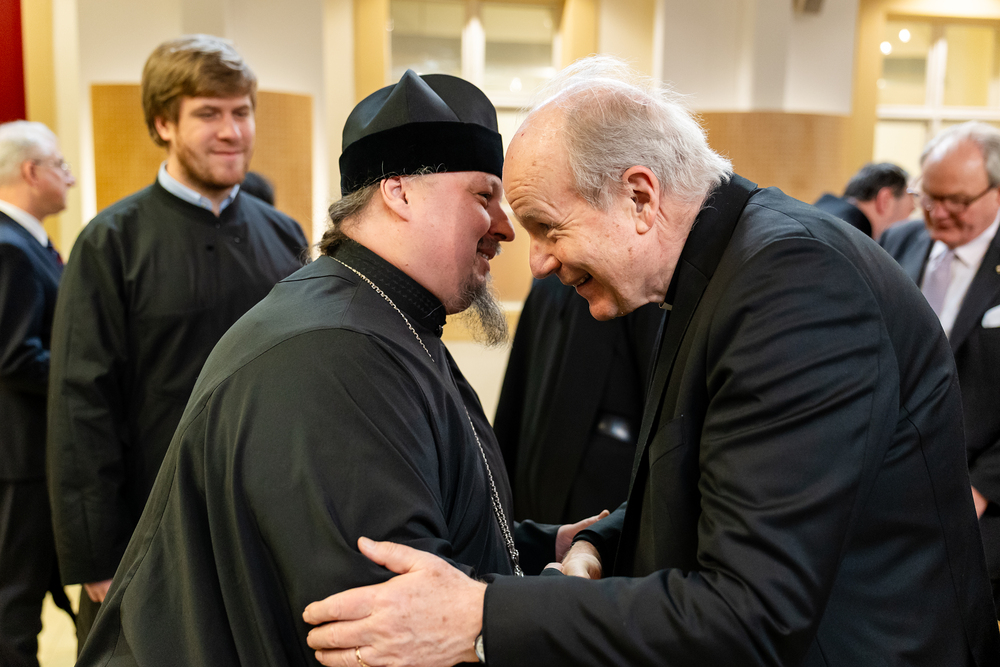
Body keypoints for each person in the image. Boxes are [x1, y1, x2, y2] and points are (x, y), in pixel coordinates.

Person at [303, 56, 999, 666]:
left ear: (639, 196)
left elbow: (750, 614)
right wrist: (601, 541)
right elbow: (727, 482)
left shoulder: (793, 284)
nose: (538, 262)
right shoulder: (725, 269)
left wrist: (480, 618)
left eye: (547, 227)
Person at [74, 70, 593, 667]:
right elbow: (394, 626)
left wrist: (543, 545)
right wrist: (552, 606)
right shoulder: (337, 354)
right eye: (483, 196)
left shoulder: (384, 317)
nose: (504, 226)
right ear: (399, 192)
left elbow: (437, 522)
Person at [46, 34, 307, 647]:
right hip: (145, 530)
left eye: (241, 112)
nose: (232, 131)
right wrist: (96, 554)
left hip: (260, 525)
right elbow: (81, 406)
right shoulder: (110, 242)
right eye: (208, 114)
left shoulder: (284, 236)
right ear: (163, 123)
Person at [880, 120, 1000, 611]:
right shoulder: (898, 242)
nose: (939, 212)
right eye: (928, 196)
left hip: (981, 498)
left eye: (957, 201)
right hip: (892, 483)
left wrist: (982, 488)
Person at [494, 275, 661, 524]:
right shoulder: (548, 283)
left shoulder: (636, 285)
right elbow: (515, 401)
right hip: (535, 505)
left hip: (605, 513)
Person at [0, 121, 75, 667]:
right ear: (31, 171)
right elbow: (15, 356)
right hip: (19, 457)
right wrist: (88, 380)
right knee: (15, 603)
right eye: (61, 166)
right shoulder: (9, 247)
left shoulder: (29, 242)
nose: (69, 178)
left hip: (30, 455)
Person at [813, 161, 913, 239]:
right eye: (911, 210)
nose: (909, 221)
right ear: (885, 200)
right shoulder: (849, 240)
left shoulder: (820, 214)